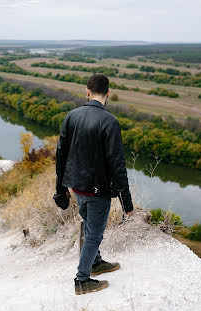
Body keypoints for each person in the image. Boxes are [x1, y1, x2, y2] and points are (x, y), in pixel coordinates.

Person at [55, 73, 134, 295]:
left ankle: (96, 263)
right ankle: (82, 280)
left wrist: (60, 189)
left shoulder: (71, 116)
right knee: (94, 235)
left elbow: (60, 154)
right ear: (108, 93)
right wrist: (126, 203)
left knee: (89, 226)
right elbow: (117, 165)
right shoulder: (109, 121)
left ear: (87, 92)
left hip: (77, 187)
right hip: (98, 190)